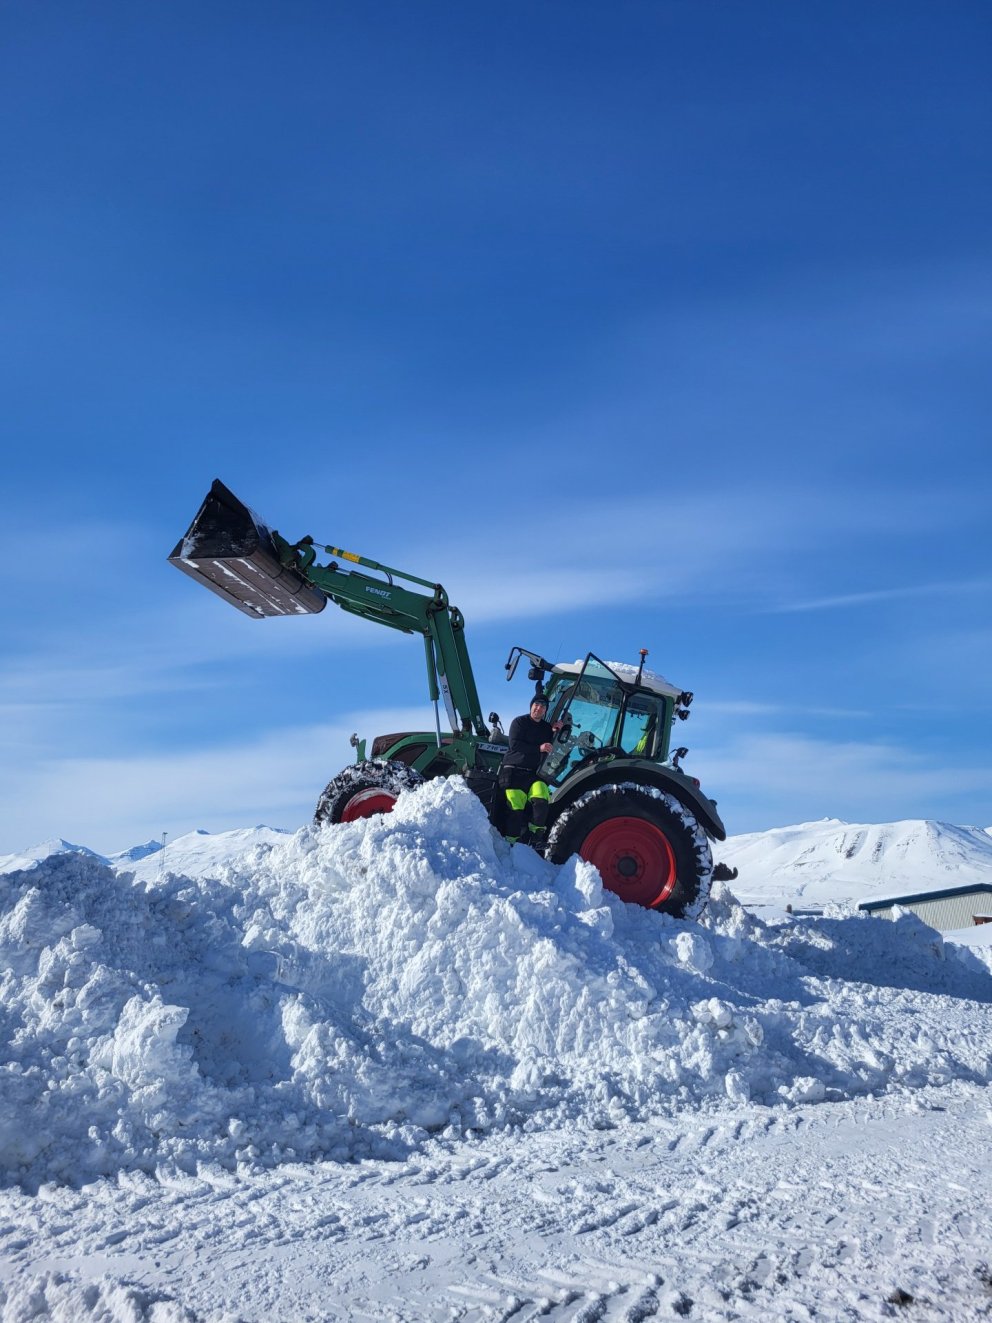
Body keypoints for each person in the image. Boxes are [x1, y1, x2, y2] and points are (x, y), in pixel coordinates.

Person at [499, 694, 558, 844]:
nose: (539, 708)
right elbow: (515, 745)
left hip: (533, 774)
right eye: (536, 705)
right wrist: (539, 748)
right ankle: (510, 843)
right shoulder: (519, 722)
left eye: (543, 706)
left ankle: (535, 837)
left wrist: (557, 730)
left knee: (542, 799)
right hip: (514, 771)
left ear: (545, 710)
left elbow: (553, 743)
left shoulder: (546, 728)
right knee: (515, 809)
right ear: (531, 706)